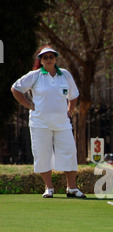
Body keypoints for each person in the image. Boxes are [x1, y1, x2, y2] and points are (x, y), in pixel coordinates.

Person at [11, 45, 86, 198]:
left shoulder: (65, 75)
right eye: (45, 57)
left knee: (69, 152)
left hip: (62, 123)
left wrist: (70, 109)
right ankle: (49, 188)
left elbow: (74, 94)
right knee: (43, 154)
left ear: (55, 58)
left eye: (51, 56)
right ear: (41, 60)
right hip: (40, 123)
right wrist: (29, 105)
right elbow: (16, 88)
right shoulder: (35, 75)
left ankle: (71, 187)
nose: (49, 59)